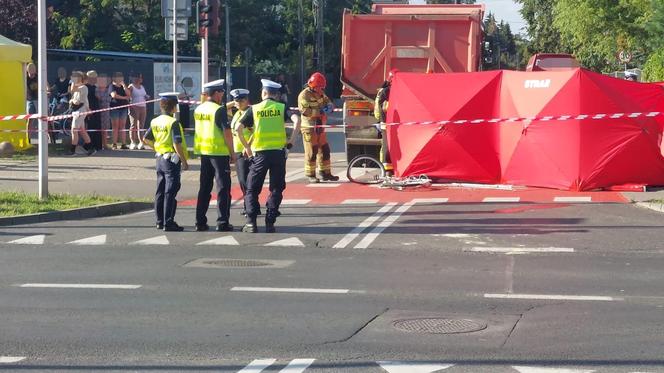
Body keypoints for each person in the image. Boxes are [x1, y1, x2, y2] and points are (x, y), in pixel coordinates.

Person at [236, 79, 300, 233]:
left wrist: (247, 148)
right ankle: (270, 222)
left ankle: (251, 223)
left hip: (259, 155)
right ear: (275, 95)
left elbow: (238, 128)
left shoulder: (255, 109)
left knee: (252, 189)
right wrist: (291, 141)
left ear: (263, 93)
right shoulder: (281, 107)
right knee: (276, 188)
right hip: (278, 153)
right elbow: (297, 120)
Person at [142, 92, 189, 232]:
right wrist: (184, 161)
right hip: (171, 160)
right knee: (170, 191)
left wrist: (156, 148)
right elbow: (177, 144)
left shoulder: (155, 121)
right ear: (174, 107)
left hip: (160, 158)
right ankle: (168, 222)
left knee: (160, 191)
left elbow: (146, 139)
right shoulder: (173, 122)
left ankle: (159, 220)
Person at [193, 79, 236, 232]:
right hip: (219, 153)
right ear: (217, 93)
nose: (223, 95)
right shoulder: (219, 110)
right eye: (222, 92)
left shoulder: (199, 109)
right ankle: (222, 221)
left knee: (204, 188)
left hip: (204, 153)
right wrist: (233, 153)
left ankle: (200, 221)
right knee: (223, 188)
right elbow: (227, 133)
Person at [297, 72, 339, 183]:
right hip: (309, 128)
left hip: (320, 126)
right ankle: (310, 174)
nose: (321, 89)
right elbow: (305, 111)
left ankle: (325, 173)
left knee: (325, 150)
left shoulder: (320, 93)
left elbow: (327, 101)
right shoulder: (304, 95)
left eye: (322, 87)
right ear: (313, 86)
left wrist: (330, 106)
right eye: (319, 87)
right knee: (312, 151)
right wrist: (320, 112)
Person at [229, 88, 253, 216]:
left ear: (246, 100)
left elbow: (255, 132)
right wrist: (233, 103)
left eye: (240, 100)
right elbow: (223, 108)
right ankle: (249, 205)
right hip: (237, 151)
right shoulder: (237, 113)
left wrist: (247, 146)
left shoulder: (250, 113)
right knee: (242, 180)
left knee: (246, 180)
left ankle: (250, 206)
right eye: (235, 100)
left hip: (245, 152)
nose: (238, 103)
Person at [373, 68, 398, 174]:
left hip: (392, 123)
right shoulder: (386, 91)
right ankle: (386, 169)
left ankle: (391, 167)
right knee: (387, 146)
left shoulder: (390, 90)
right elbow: (383, 108)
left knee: (392, 145)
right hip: (386, 123)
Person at [68, 71, 95, 156]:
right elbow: (73, 98)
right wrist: (72, 101)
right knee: (81, 130)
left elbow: (72, 90)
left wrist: (73, 81)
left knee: (74, 129)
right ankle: (91, 148)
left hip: (81, 111)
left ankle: (72, 150)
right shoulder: (79, 88)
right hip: (77, 110)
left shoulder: (83, 87)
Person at [128, 73, 150, 150]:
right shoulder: (131, 86)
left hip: (143, 107)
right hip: (134, 107)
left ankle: (141, 142)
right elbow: (128, 96)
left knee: (141, 125)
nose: (140, 79)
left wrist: (147, 97)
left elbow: (144, 95)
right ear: (135, 78)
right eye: (139, 78)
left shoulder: (142, 87)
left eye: (141, 78)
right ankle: (132, 142)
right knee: (133, 125)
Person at [109, 72, 130, 150]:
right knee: (115, 126)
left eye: (121, 77)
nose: (120, 79)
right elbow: (114, 95)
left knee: (122, 126)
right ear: (114, 78)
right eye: (118, 77)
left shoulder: (123, 87)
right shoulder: (112, 86)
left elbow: (129, 94)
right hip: (115, 108)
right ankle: (114, 143)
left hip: (123, 108)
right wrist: (124, 98)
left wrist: (124, 85)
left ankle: (123, 144)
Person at [85, 70, 103, 151]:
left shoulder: (96, 87)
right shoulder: (85, 86)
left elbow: (100, 97)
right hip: (89, 108)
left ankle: (98, 145)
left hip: (96, 108)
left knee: (97, 125)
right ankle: (90, 145)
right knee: (90, 126)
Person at [97, 73, 112, 149]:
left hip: (106, 112)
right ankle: (99, 144)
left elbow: (110, 99)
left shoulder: (108, 89)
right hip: (98, 112)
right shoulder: (96, 89)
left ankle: (105, 144)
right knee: (98, 128)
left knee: (105, 129)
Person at [26, 63, 39, 140]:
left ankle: (51, 137)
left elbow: (46, 84)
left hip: (38, 100)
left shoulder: (38, 77)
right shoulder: (26, 78)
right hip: (30, 100)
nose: (32, 70)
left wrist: (47, 90)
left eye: (33, 68)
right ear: (27, 70)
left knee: (45, 118)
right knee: (29, 120)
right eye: (30, 69)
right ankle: (28, 139)